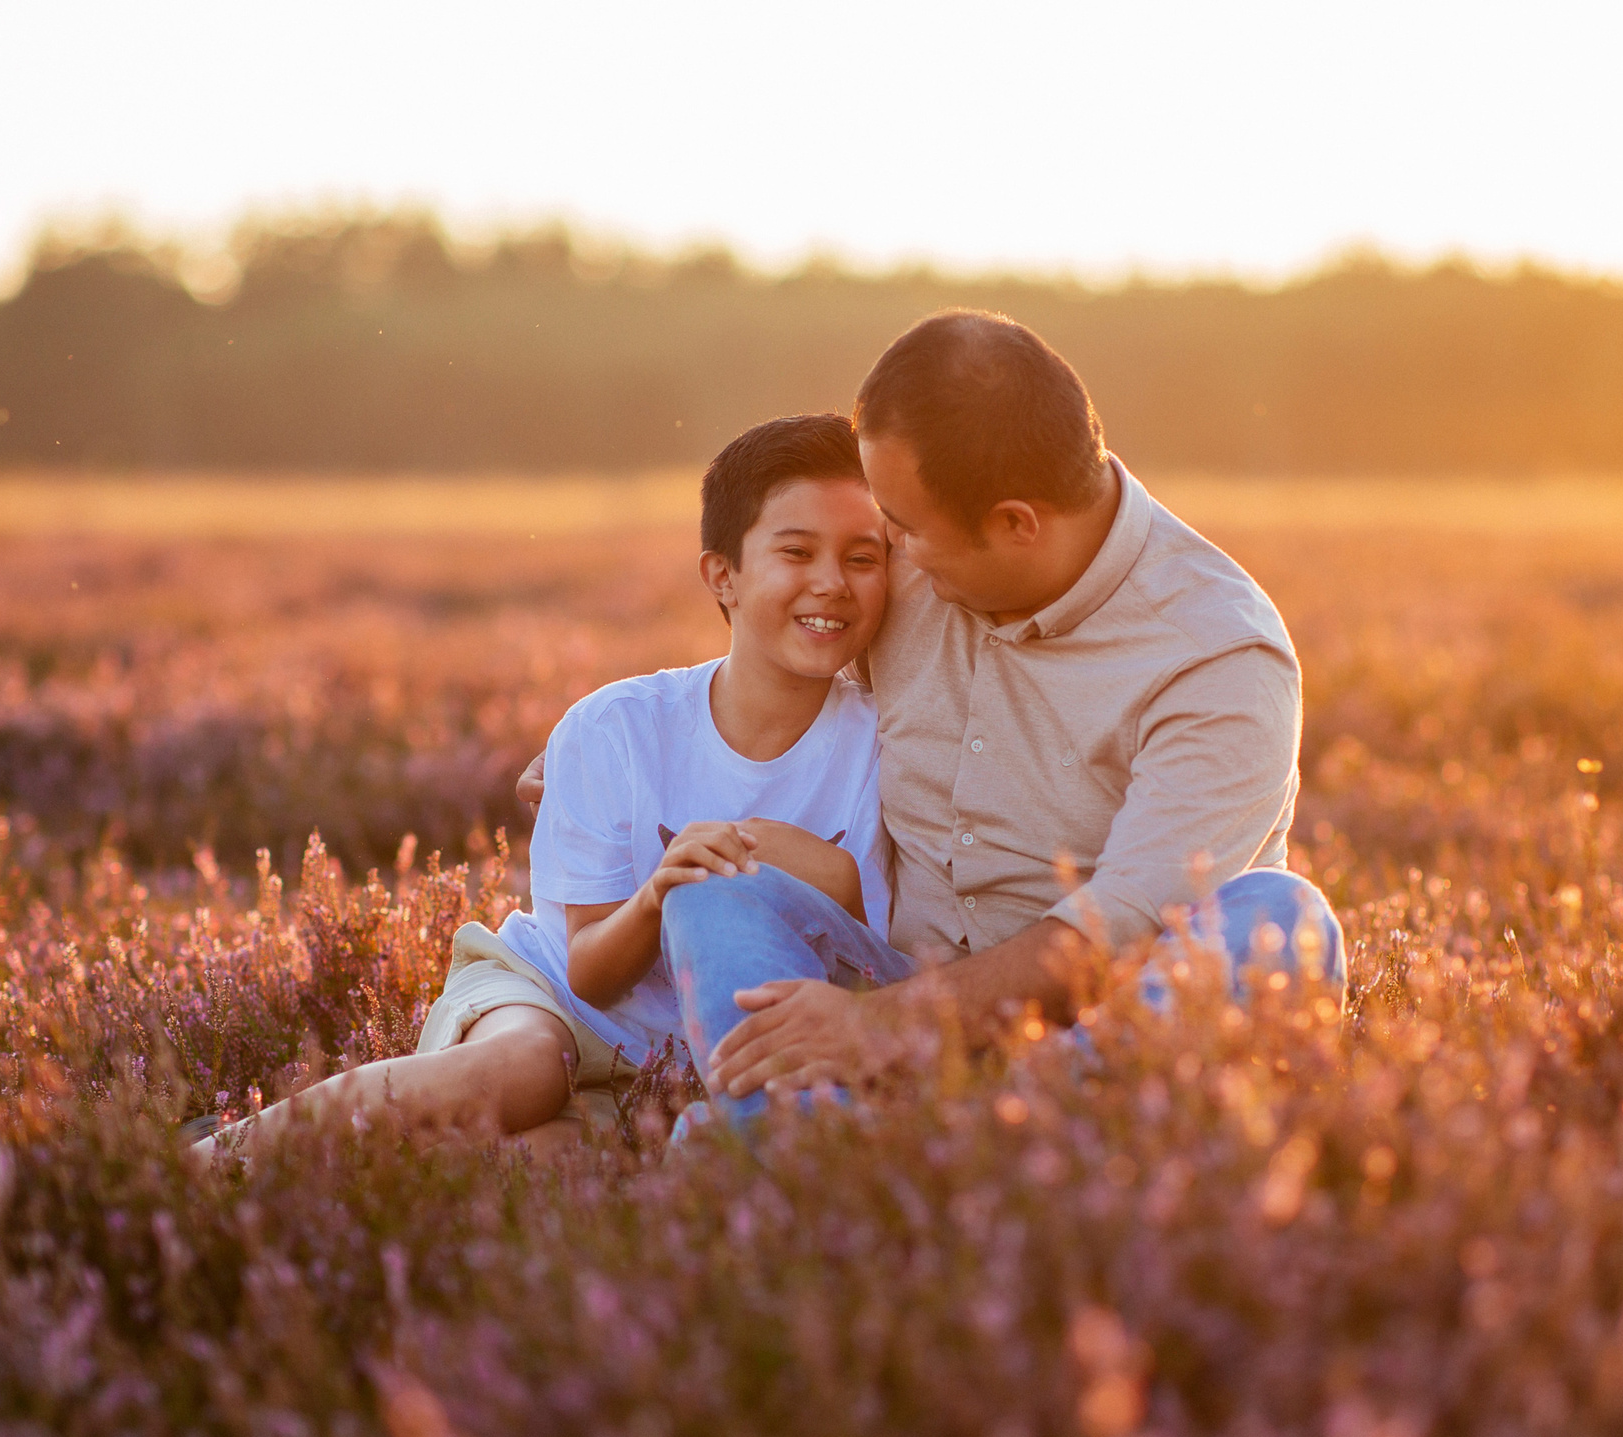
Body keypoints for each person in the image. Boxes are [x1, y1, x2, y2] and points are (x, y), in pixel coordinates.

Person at [528, 309, 1345, 1127]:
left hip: (1101, 1015)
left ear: (1016, 525)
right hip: (889, 977)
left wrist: (876, 1027)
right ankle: (864, 1142)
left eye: (903, 531)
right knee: (715, 896)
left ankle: (968, 1134)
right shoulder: (922, 560)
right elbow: (780, 641)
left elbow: (1116, 933)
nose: (887, 549)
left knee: (1281, 917)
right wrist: (595, 742)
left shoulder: (1218, 657)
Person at [193, 414, 896, 1158]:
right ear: (722, 574)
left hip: (682, 1063)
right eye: (797, 551)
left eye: (863, 557)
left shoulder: (884, 747)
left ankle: (267, 1192)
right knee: (526, 1071)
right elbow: (589, 970)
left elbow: (873, 964)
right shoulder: (615, 727)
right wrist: (660, 894)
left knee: (556, 1166)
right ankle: (214, 1162)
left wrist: (805, 862)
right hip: (550, 998)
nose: (831, 582)